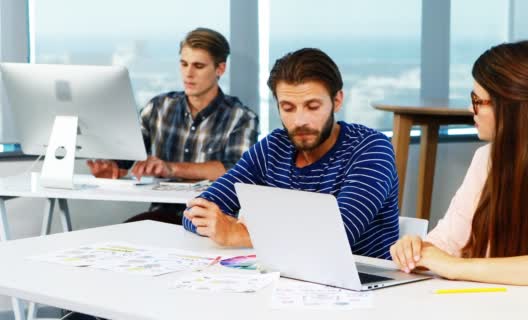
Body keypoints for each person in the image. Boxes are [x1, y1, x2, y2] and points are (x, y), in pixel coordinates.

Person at [390, 40, 528, 291]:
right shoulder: (487, 158)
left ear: (513, 106)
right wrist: (416, 250)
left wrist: (453, 266)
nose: (471, 110)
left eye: (477, 100)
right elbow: (447, 242)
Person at [182, 48, 399, 259]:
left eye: (312, 106)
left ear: (337, 101)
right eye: (288, 108)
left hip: (364, 283)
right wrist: (220, 225)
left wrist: (241, 233)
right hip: (289, 280)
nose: (299, 121)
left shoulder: (371, 148)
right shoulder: (273, 147)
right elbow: (195, 212)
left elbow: (335, 238)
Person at [87, 27, 259, 224]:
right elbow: (127, 156)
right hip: (162, 216)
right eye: (184, 64)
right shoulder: (159, 108)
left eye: (198, 66)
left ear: (220, 69)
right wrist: (112, 168)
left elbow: (235, 171)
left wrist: (171, 168)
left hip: (213, 221)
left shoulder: (241, 118)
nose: (188, 73)